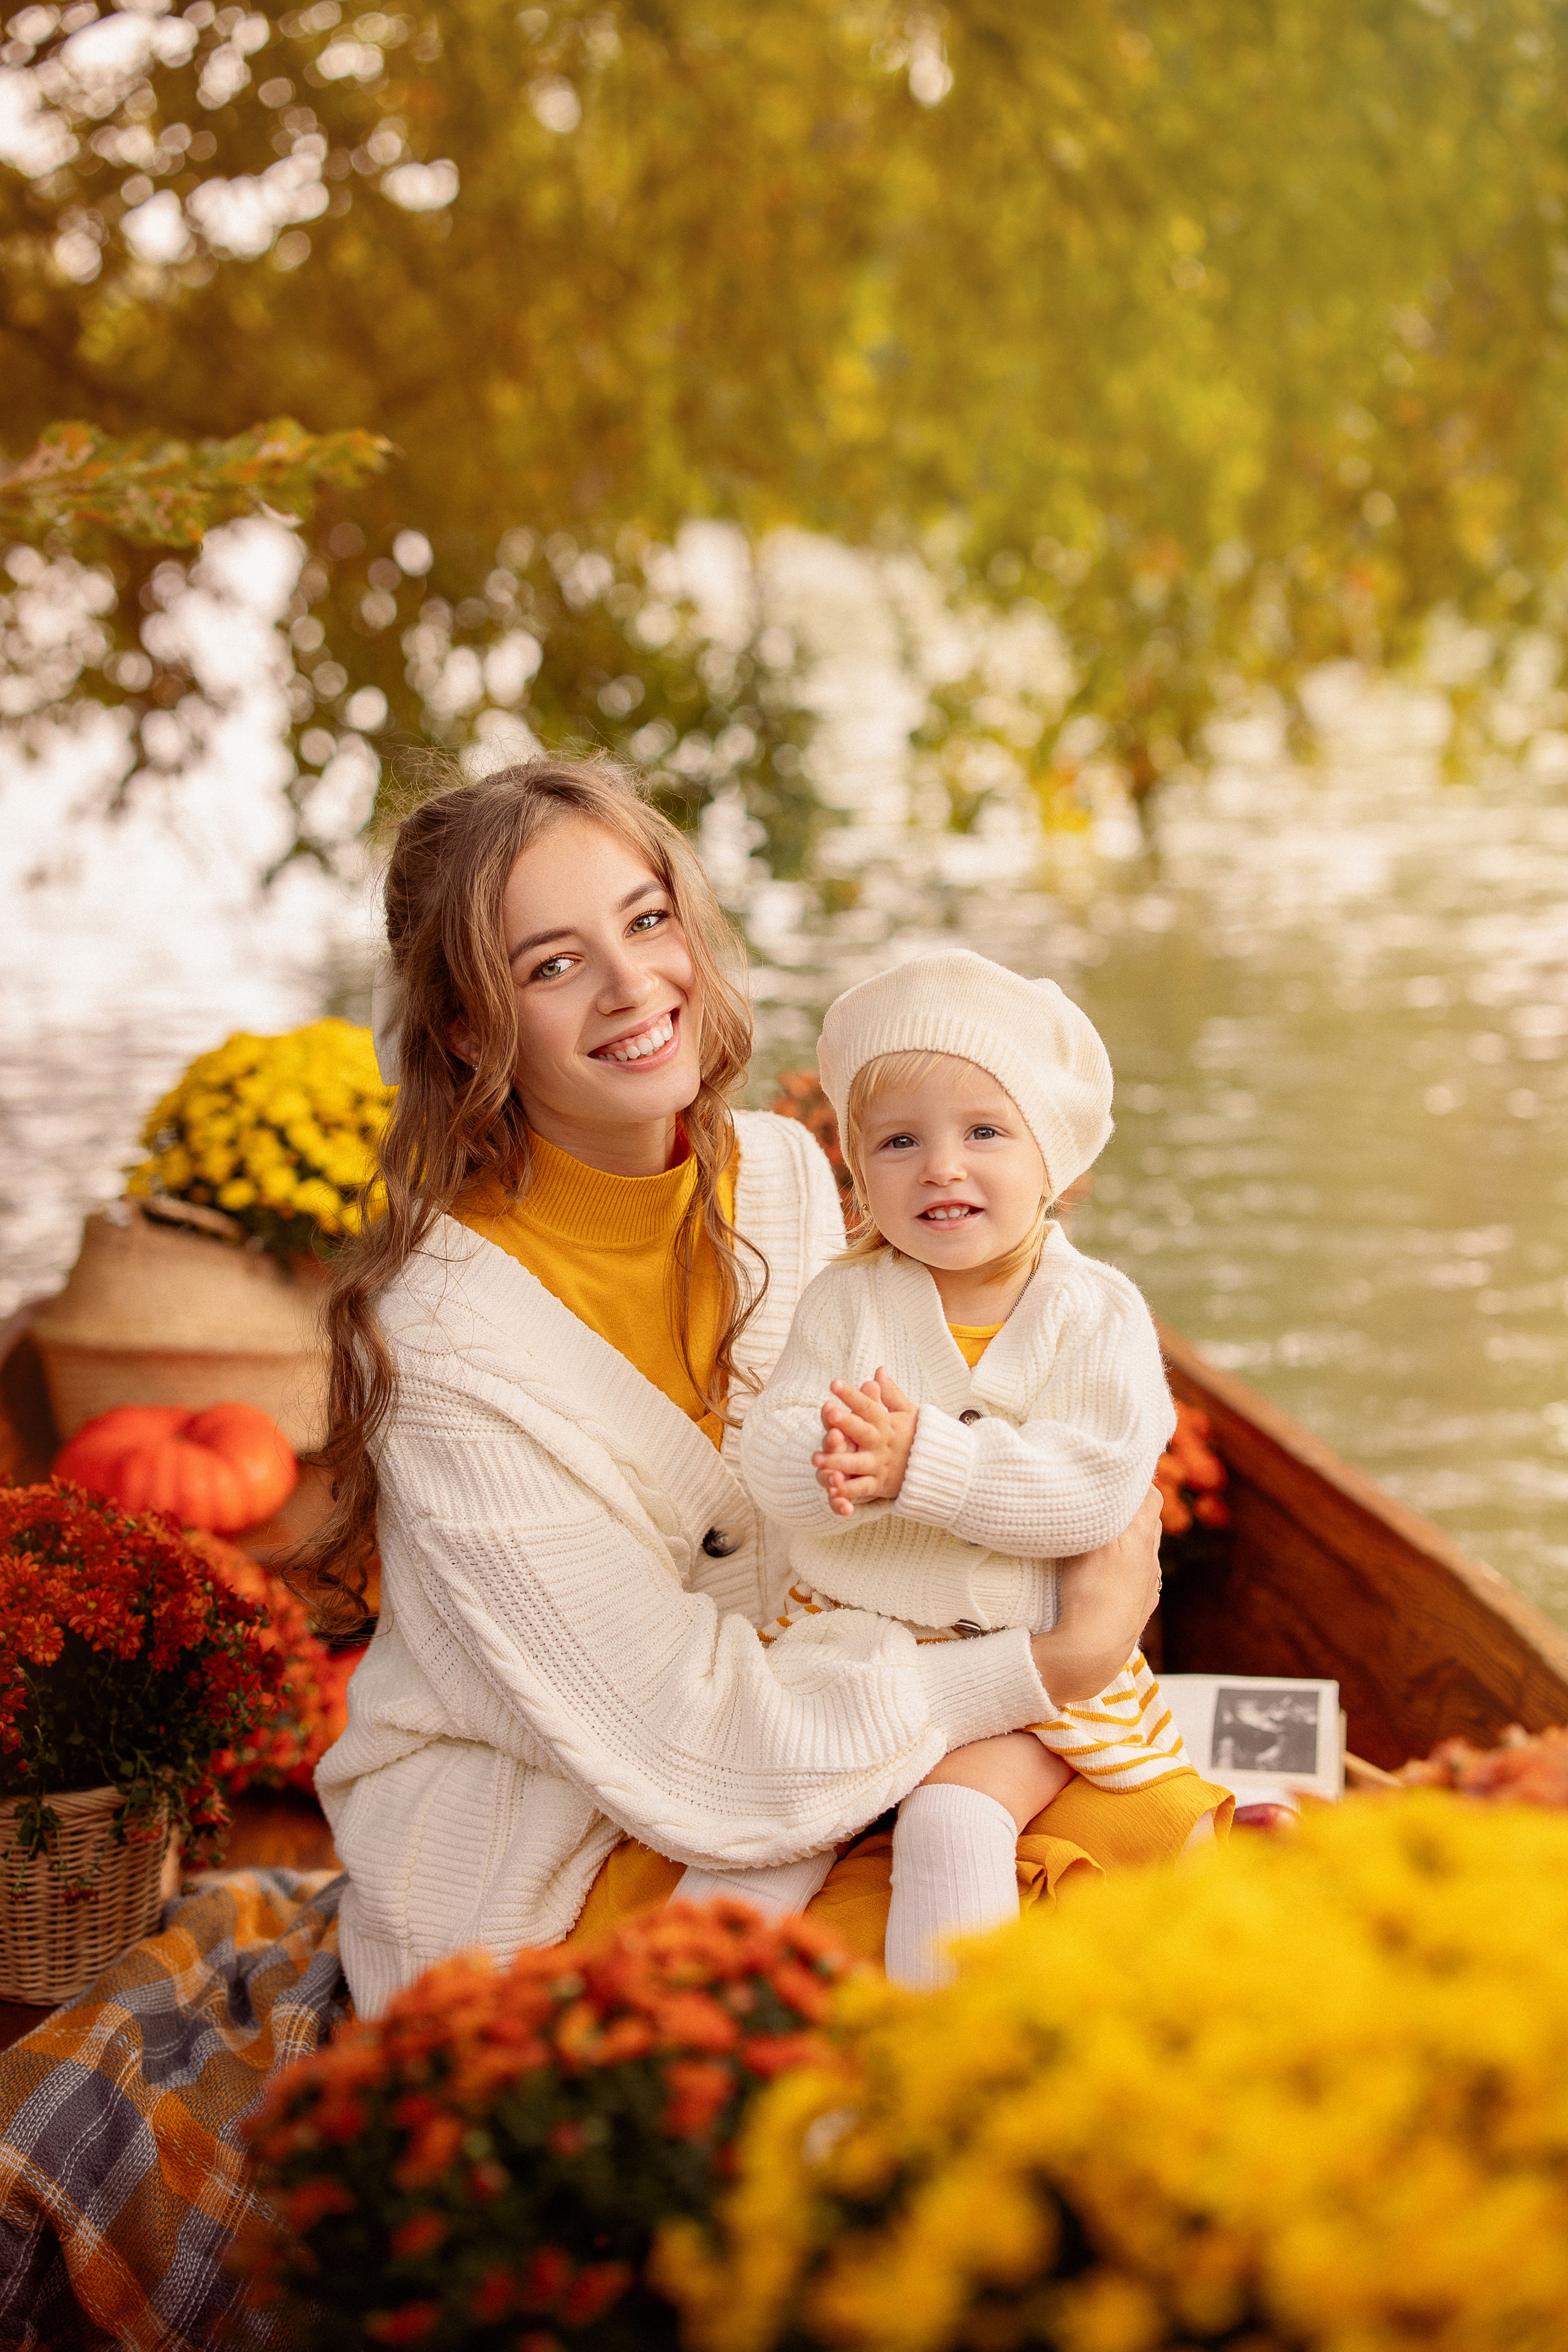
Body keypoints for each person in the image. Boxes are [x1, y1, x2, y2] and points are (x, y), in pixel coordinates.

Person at [304, 757, 1164, 2014]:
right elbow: (684, 1737)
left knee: (1139, 1879)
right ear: (468, 1029)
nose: (630, 986)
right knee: (978, 1991)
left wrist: (1038, 1534)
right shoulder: (442, 1338)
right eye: (550, 966)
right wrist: (1058, 1656)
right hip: (557, 1853)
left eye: (646, 921)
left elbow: (857, 1515)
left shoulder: (776, 1172)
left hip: (817, 1734)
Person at [722, 953, 1231, 1985]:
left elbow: (1094, 1489)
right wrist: (823, 1458)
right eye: (900, 1142)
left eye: (984, 1133)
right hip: (853, 1645)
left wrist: (928, 1465)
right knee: (754, 1837)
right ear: (861, 1176)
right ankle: (673, 2026)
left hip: (1027, 1667)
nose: (941, 1167)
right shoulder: (847, 1299)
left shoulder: (1093, 1313)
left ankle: (952, 2057)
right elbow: (766, 1443)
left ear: (1054, 1160)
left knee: (953, 1823)